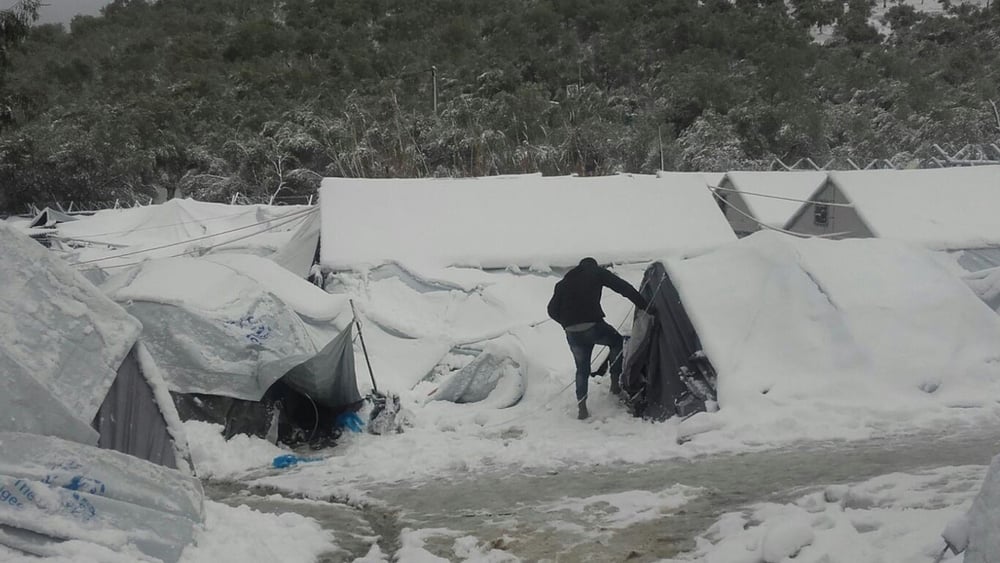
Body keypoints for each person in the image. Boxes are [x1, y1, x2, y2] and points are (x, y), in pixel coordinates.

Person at [547, 257, 648, 420]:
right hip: (593, 326)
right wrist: (644, 305)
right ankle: (615, 385)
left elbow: (551, 310)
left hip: (572, 332)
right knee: (616, 342)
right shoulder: (596, 272)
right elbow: (623, 288)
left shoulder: (563, 283)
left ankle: (582, 408)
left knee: (582, 369)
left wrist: (567, 324)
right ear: (593, 265)